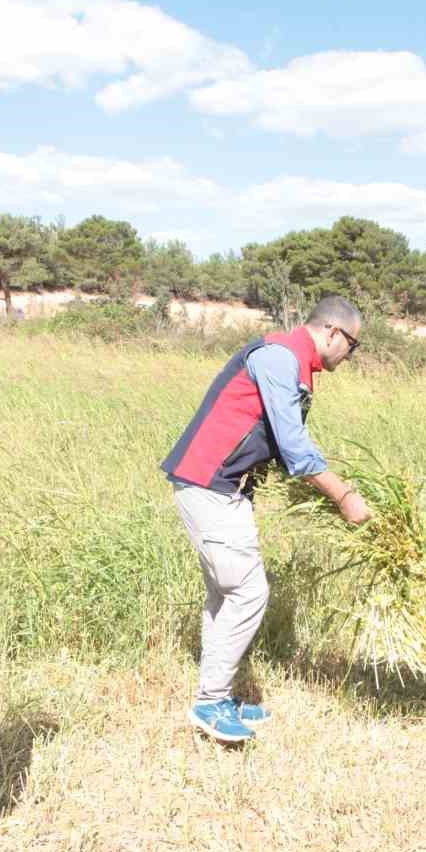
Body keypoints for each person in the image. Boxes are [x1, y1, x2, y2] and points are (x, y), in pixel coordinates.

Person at [161, 295, 372, 744]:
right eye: (353, 346)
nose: (351, 357)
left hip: (224, 488)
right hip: (210, 484)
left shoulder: (293, 361)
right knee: (248, 591)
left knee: (226, 593)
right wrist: (344, 496)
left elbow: (276, 439)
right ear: (333, 332)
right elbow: (294, 444)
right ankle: (210, 703)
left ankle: (215, 694)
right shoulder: (279, 358)